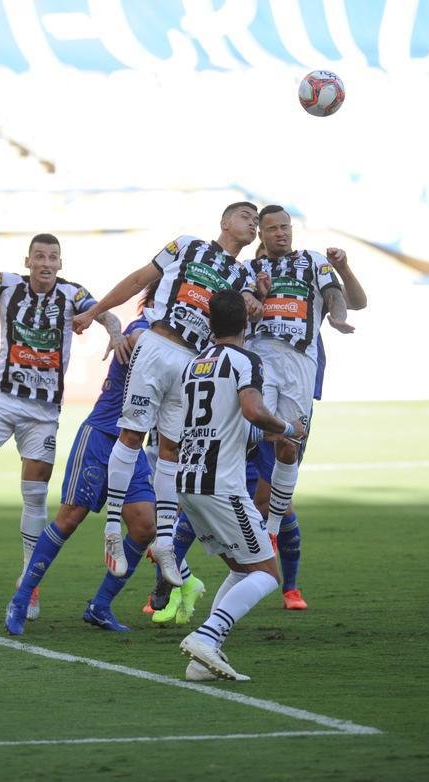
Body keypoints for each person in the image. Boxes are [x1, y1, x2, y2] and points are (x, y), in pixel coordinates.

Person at [72, 203, 264, 589]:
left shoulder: (243, 274)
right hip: (158, 345)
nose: (253, 223)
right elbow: (138, 279)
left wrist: (257, 302)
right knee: (131, 435)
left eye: (256, 220)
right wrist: (95, 312)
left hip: (193, 362)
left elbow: (247, 312)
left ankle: (163, 543)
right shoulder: (186, 245)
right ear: (224, 222)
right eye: (246, 216)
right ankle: (112, 526)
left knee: (170, 449)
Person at [0, 230, 125, 620]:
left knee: (35, 496)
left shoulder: (73, 295)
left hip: (43, 413)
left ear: (60, 263)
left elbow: (106, 312)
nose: (45, 263)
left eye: (52, 257)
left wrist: (114, 330)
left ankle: (29, 579)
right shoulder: (7, 285)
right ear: (28, 261)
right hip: (1, 399)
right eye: (38, 256)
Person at [5, 282, 179, 635]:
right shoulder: (141, 330)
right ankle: (21, 598)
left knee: (145, 526)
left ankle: (100, 606)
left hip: (130, 449)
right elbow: (132, 336)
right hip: (101, 436)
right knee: (70, 519)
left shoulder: (176, 342)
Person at [174, 290, 305, 682]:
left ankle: (202, 661)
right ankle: (206, 637)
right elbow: (252, 409)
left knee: (240, 566)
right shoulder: (246, 360)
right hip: (222, 485)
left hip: (189, 481)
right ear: (246, 324)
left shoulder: (194, 364)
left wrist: (267, 437)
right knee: (266, 573)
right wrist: (286, 427)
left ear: (210, 324)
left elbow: (226, 423)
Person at [244, 205, 354, 609]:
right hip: (255, 365)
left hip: (296, 370)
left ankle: (285, 578)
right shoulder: (249, 270)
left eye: (284, 227)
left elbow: (335, 296)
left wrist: (338, 319)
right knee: (230, 474)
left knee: (284, 458)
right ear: (261, 235)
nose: (280, 233)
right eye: (271, 228)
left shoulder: (312, 261)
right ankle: (170, 579)